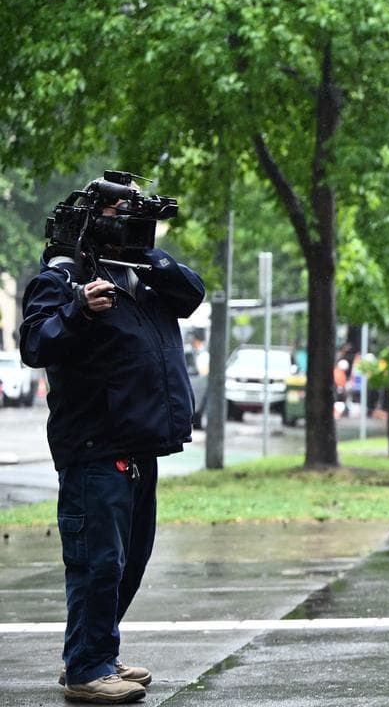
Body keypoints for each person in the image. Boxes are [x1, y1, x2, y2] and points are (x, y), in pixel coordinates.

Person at [20, 188, 205, 704]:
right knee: (98, 562)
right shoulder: (61, 280)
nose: (126, 223)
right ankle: (87, 666)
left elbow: (192, 293)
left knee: (132, 559)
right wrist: (78, 308)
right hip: (95, 445)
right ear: (87, 225)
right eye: (116, 216)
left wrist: (145, 254)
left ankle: (97, 650)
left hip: (139, 443)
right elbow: (35, 343)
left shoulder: (139, 274)